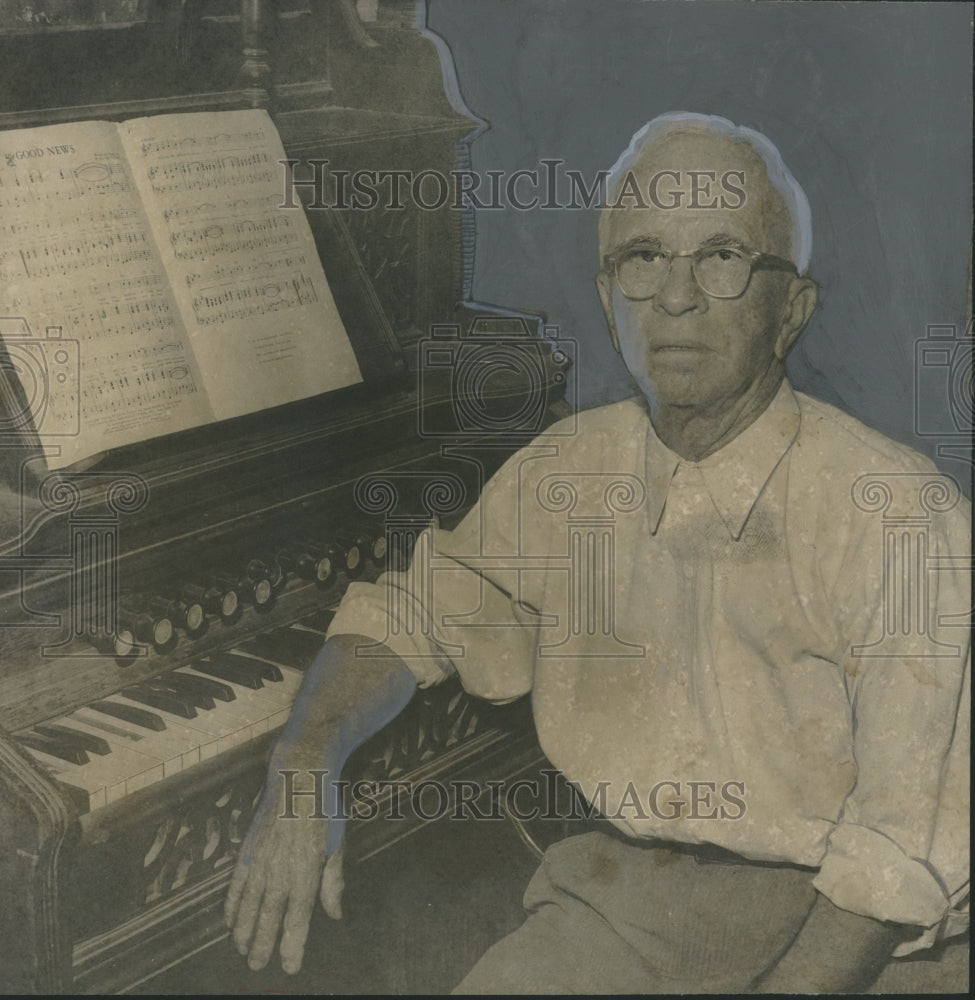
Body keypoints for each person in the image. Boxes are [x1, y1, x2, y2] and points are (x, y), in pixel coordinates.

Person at [225, 112, 970, 993]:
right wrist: (303, 764)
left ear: (791, 310)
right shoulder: (566, 467)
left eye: (723, 257)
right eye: (642, 258)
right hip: (621, 907)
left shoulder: (899, 512)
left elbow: (896, 852)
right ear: (609, 295)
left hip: (863, 942)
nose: (675, 297)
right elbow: (410, 615)